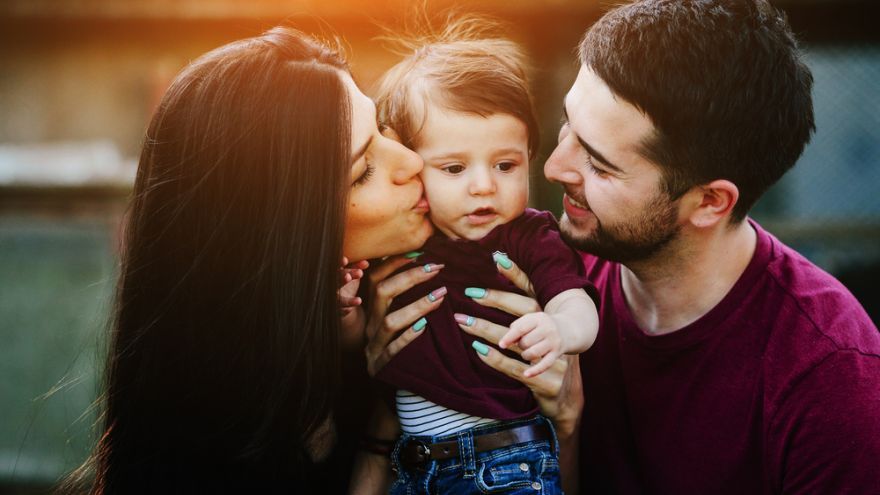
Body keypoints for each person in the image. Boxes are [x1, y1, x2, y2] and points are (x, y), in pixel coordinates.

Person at [461, 0, 880, 493]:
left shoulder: (831, 382)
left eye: (599, 164)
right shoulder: (540, 274)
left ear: (708, 202)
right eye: (568, 123)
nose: (554, 167)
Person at [60, 26, 452, 494]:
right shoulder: (212, 451)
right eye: (362, 171)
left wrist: (564, 425)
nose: (412, 161)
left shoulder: (429, 311)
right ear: (281, 234)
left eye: (384, 130)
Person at [367, 17, 599, 494]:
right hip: (412, 465)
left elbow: (576, 302)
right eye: (454, 167)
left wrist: (560, 329)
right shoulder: (400, 240)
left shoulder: (526, 237)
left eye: (505, 164)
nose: (483, 186)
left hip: (505, 461)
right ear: (410, 166)